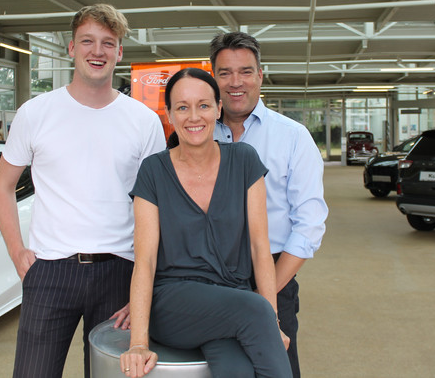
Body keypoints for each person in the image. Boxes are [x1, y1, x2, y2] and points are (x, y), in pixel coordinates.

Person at [0, 4, 165, 378]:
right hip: (49, 269)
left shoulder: (144, 122)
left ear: (119, 52)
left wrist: (145, 287)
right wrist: (17, 251)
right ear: (71, 48)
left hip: (121, 271)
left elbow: (156, 206)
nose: (97, 51)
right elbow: (1, 186)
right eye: (87, 41)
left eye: (108, 43)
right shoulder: (35, 113)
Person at [120, 68, 292, 378]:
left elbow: (259, 247)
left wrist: (273, 323)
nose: (194, 116)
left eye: (203, 105)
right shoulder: (154, 171)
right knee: (254, 309)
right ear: (169, 114)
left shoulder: (244, 160)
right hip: (175, 303)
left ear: (218, 108)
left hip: (232, 298)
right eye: (182, 107)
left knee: (237, 370)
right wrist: (138, 343)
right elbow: (145, 261)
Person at [210, 31, 328, 378]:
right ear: (213, 77)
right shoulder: (197, 134)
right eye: (225, 73)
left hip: (275, 277)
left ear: (260, 75)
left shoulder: (292, 136)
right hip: (209, 277)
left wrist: (265, 291)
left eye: (246, 71)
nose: (236, 82)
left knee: (276, 369)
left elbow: (309, 225)